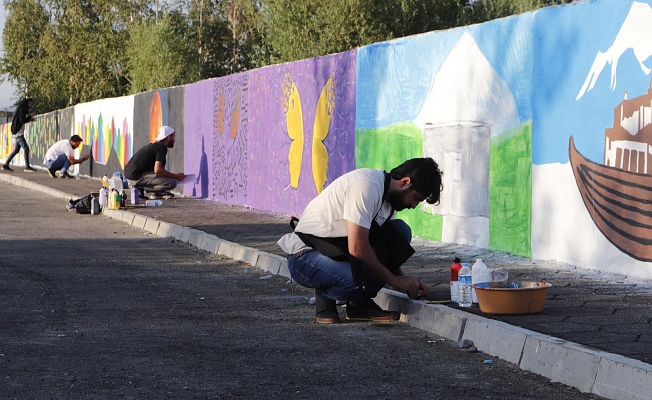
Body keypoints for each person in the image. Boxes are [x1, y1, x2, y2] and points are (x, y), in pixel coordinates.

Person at [278, 157, 443, 324]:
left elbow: (384, 255)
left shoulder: (389, 203)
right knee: (361, 281)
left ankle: (358, 306)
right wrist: (394, 281)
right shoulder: (366, 186)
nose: (414, 205)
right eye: (416, 198)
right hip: (304, 256)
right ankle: (326, 298)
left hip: (335, 252)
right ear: (405, 182)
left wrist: (407, 281)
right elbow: (357, 247)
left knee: (400, 233)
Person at [124, 125, 186, 200]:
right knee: (172, 182)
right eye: (173, 136)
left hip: (130, 175)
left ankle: (154, 191)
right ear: (168, 138)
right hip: (135, 176)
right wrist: (176, 176)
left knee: (166, 178)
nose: (174, 140)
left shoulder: (154, 146)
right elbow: (158, 170)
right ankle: (140, 187)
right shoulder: (161, 148)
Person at [2, 98, 37, 172]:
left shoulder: (21, 109)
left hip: (17, 131)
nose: (30, 105)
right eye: (29, 104)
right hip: (18, 132)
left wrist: (29, 120)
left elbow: (21, 121)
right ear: (26, 104)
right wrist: (30, 116)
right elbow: (22, 120)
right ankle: (27, 166)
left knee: (16, 150)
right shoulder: (23, 110)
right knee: (26, 148)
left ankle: (6, 165)